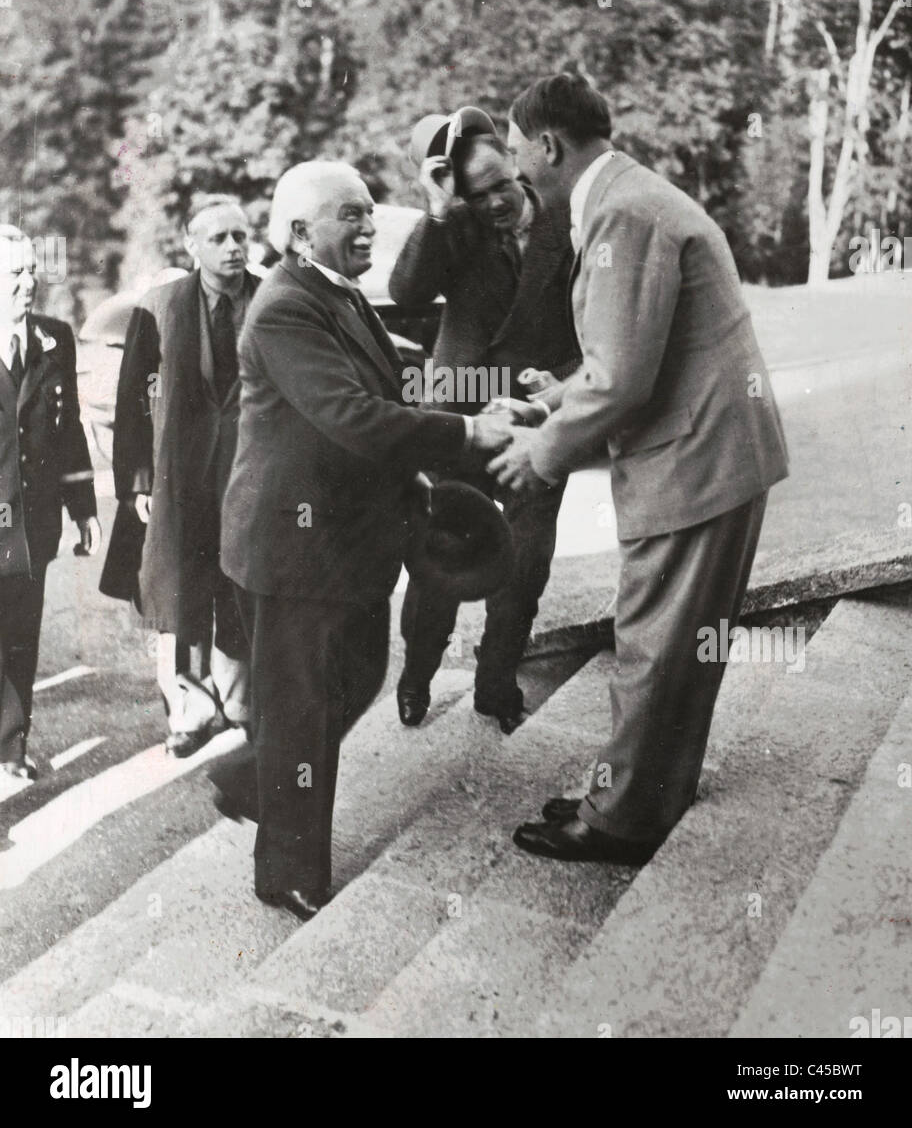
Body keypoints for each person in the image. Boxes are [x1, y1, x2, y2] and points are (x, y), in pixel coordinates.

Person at [490, 73, 789, 865]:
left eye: (519, 153)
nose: (517, 171)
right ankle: (645, 793)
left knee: (655, 643)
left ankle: (621, 820)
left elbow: (623, 378)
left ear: (548, 146)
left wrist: (540, 451)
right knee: (681, 641)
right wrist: (562, 396)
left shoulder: (622, 211)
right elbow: (634, 352)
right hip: (715, 453)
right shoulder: (631, 194)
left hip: (694, 462)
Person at [216, 161, 513, 921]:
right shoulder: (284, 308)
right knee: (307, 706)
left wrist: (490, 393)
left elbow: (396, 381)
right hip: (292, 550)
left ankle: (254, 776)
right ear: (297, 233)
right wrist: (471, 433)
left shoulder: (336, 295)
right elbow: (352, 416)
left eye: (369, 212)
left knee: (353, 677)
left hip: (344, 543)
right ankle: (285, 871)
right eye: (349, 215)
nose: (369, 227)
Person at [389, 107, 579, 733]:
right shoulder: (457, 228)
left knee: (525, 563)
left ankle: (496, 680)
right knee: (442, 555)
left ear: (518, 166)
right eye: (478, 193)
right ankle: (417, 674)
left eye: (502, 185)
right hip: (459, 415)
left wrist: (558, 389)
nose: (495, 202)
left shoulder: (570, 225)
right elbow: (409, 290)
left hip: (534, 417)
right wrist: (440, 210)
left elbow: (596, 326)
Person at [100, 196, 258, 757]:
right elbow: (131, 399)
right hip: (180, 477)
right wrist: (137, 481)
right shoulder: (162, 305)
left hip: (249, 474)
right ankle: (190, 712)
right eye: (219, 238)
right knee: (179, 591)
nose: (234, 247)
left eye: (241, 236)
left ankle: (239, 704)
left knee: (243, 584)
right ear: (192, 245)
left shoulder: (271, 300)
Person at [0, 224, 101, 785]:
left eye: (31, 269)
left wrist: (84, 507)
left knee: (19, 632)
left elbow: (69, 433)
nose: (28, 281)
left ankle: (11, 749)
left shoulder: (55, 338)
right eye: (13, 273)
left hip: (32, 523)